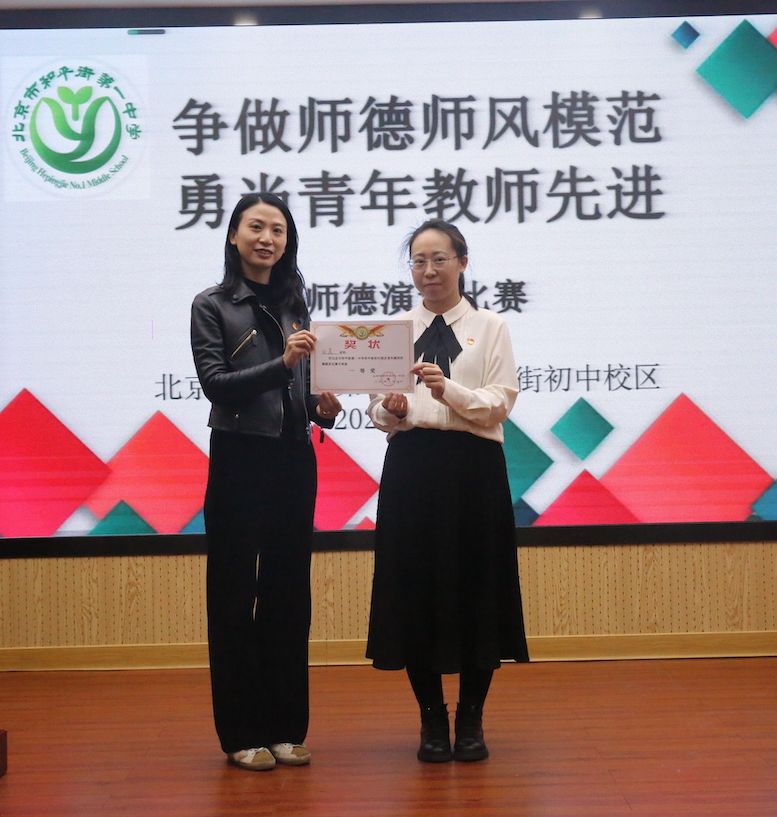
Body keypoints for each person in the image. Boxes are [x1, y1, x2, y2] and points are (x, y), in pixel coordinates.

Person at [366, 219, 528, 763]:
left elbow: (500, 403)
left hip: (473, 470)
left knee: (478, 588)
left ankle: (472, 720)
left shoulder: (491, 325)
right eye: (418, 261)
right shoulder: (393, 331)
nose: (429, 270)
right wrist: (390, 410)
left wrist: (446, 389)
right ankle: (432, 721)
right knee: (415, 591)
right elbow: (378, 409)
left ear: (462, 262)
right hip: (412, 469)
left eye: (439, 259)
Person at [190, 193, 342, 771]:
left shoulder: (294, 303)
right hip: (238, 455)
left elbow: (300, 392)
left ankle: (284, 727)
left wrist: (322, 408)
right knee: (234, 593)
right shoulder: (212, 304)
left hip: (293, 457)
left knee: (288, 592)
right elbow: (215, 384)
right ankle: (240, 733)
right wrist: (282, 365)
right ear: (234, 235)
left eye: (278, 230)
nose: (267, 239)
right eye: (256, 227)